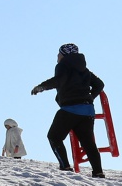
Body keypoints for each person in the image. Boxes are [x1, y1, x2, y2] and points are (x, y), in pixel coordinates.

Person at [31, 43, 107, 177]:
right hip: (87, 110)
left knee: (54, 137)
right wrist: (91, 96)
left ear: (63, 55)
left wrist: (41, 87)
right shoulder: (85, 70)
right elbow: (100, 84)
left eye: (58, 53)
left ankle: (65, 166)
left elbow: (59, 80)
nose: (57, 56)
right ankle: (98, 172)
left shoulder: (62, 66)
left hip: (70, 109)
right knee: (88, 142)